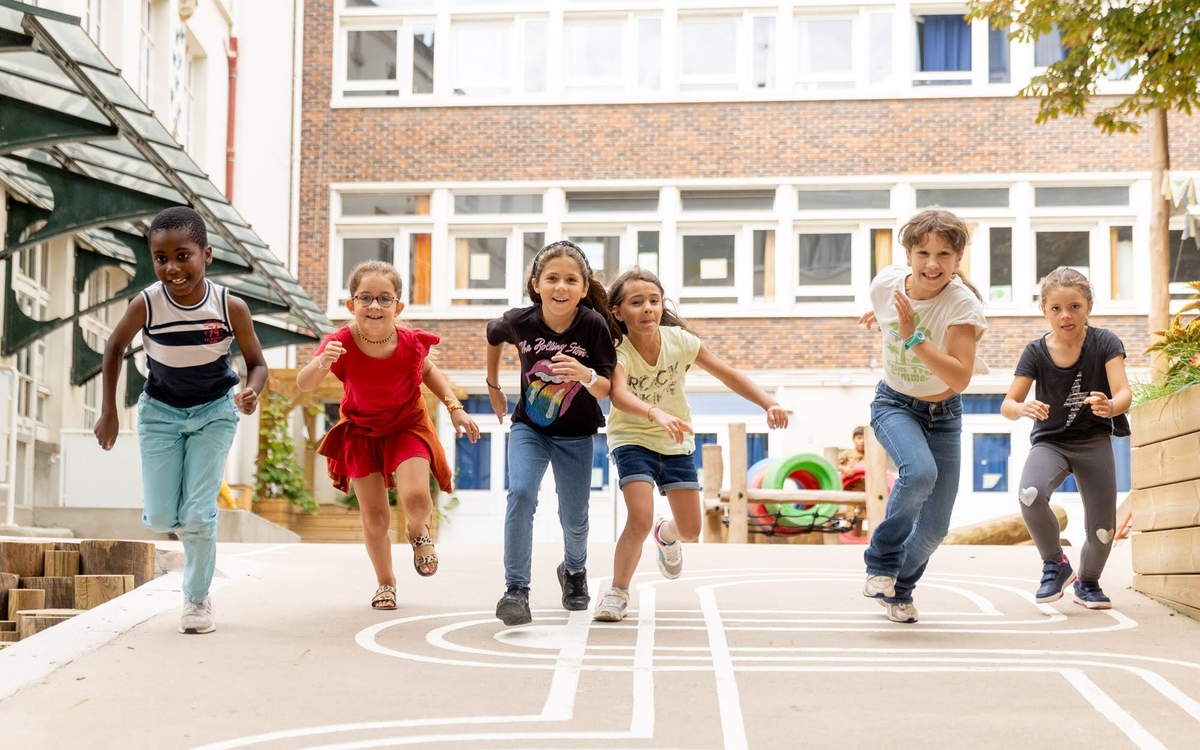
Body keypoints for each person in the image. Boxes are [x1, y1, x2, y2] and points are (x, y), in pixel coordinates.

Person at [94, 206, 268, 635]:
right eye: (161, 257)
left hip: (215, 412)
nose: (171, 267)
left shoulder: (231, 306)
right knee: (160, 516)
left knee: (198, 512)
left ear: (206, 255)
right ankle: (189, 536)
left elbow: (257, 364)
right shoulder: (147, 303)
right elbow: (114, 348)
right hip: (161, 413)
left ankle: (195, 599)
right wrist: (109, 411)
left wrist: (251, 392)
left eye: (182, 255)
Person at [593, 268, 789, 622]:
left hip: (676, 440)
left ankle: (665, 537)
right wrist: (655, 414)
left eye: (654, 301)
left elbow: (727, 373)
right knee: (639, 517)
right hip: (632, 439)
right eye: (637, 303)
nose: (648, 308)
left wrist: (768, 402)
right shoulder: (616, 350)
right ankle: (617, 593)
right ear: (619, 312)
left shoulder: (680, 341)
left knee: (690, 530)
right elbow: (618, 396)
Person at [297, 260, 479, 610]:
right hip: (362, 431)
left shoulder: (410, 343)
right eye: (365, 298)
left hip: (407, 425)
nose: (375, 306)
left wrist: (455, 406)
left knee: (416, 499)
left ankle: (417, 530)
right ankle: (386, 582)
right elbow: (305, 385)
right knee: (376, 517)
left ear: (398, 307)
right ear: (351, 305)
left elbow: (430, 372)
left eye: (384, 298)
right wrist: (321, 362)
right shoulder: (339, 342)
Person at [859, 208, 988, 624]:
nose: (933, 264)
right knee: (919, 473)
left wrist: (912, 335)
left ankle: (899, 591)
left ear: (958, 258)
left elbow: (960, 375)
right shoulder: (886, 284)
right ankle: (880, 562)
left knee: (935, 528)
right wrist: (881, 320)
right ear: (909, 254)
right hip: (894, 403)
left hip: (944, 413)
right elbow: (884, 310)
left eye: (945, 255)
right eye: (923, 253)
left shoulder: (962, 305)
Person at [486, 240, 619, 626]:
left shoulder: (592, 325)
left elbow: (606, 388)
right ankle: (516, 590)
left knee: (574, 516)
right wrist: (493, 386)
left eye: (570, 280)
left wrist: (585, 374)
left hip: (577, 433)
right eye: (552, 279)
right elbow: (493, 336)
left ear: (583, 287)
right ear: (536, 284)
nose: (561, 287)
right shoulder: (520, 321)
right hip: (531, 427)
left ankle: (574, 573)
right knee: (522, 494)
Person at [1001, 267, 1131, 610]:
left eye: (1074, 306)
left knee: (1103, 530)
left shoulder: (1105, 343)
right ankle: (1054, 564)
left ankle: (1088, 582)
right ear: (1044, 310)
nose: (1066, 315)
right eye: (1056, 308)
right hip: (1051, 442)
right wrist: (1022, 408)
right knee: (1030, 494)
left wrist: (1110, 406)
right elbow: (1007, 404)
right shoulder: (1035, 351)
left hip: (1093, 442)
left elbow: (1123, 393)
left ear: (1088, 305)